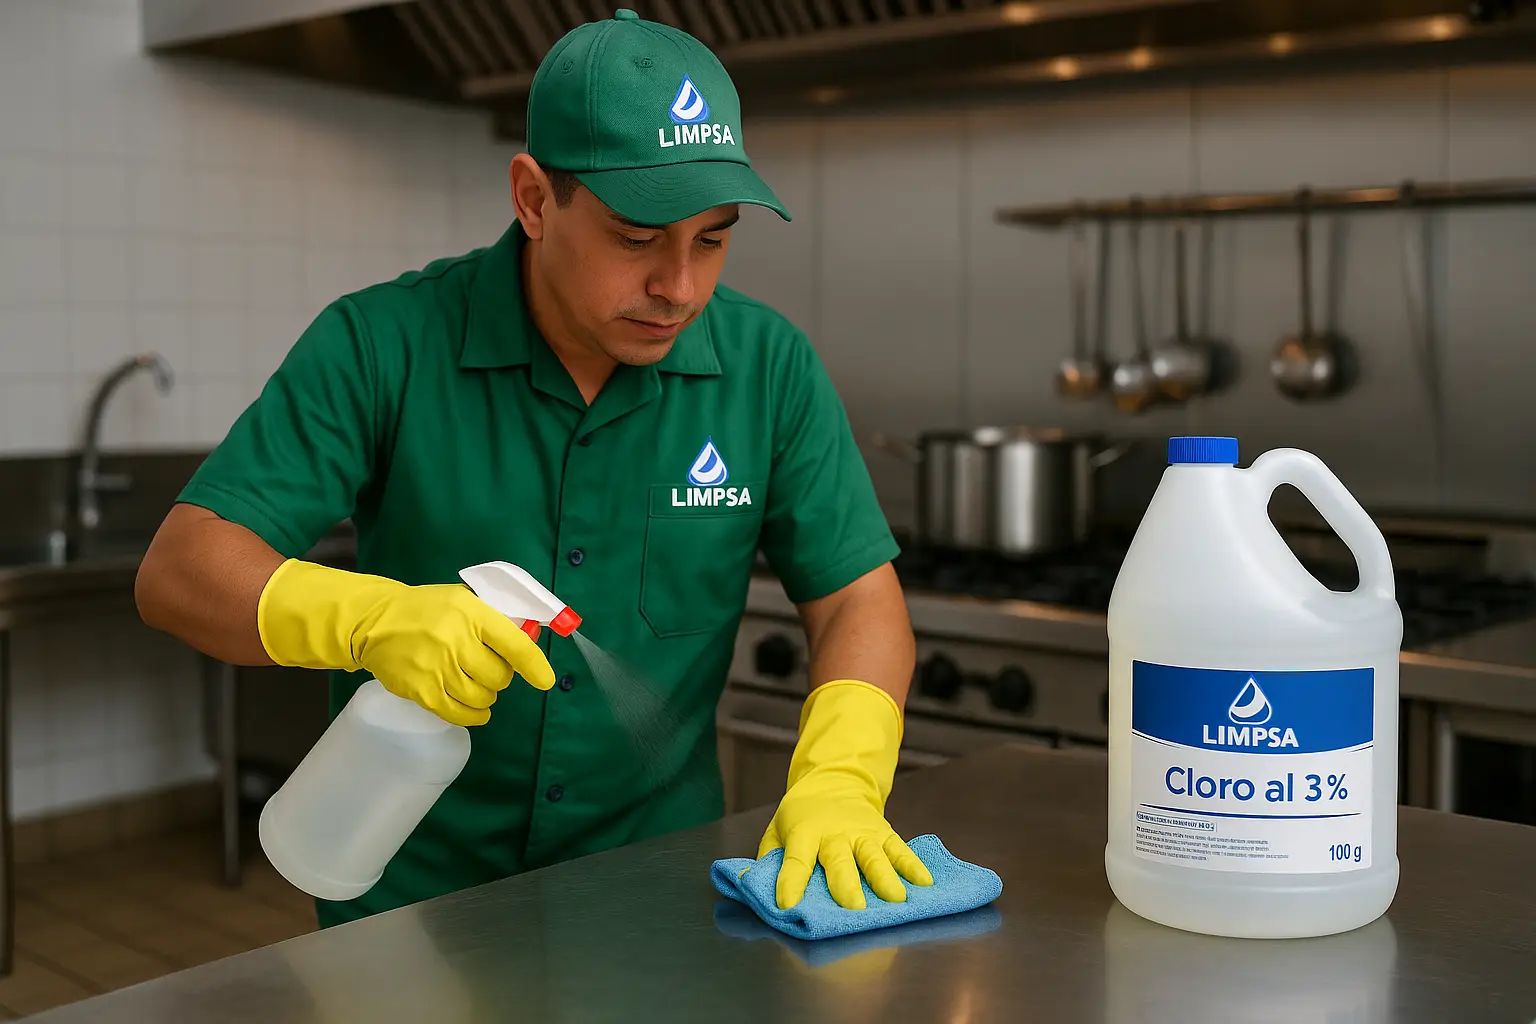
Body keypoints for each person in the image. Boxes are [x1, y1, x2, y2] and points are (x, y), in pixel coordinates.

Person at [134, 7, 932, 929]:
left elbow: (857, 601)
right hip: (413, 905)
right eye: (638, 239)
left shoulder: (768, 368)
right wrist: (365, 618)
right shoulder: (380, 343)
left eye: (712, 238)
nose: (680, 285)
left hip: (657, 904)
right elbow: (180, 570)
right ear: (534, 198)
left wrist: (843, 777)